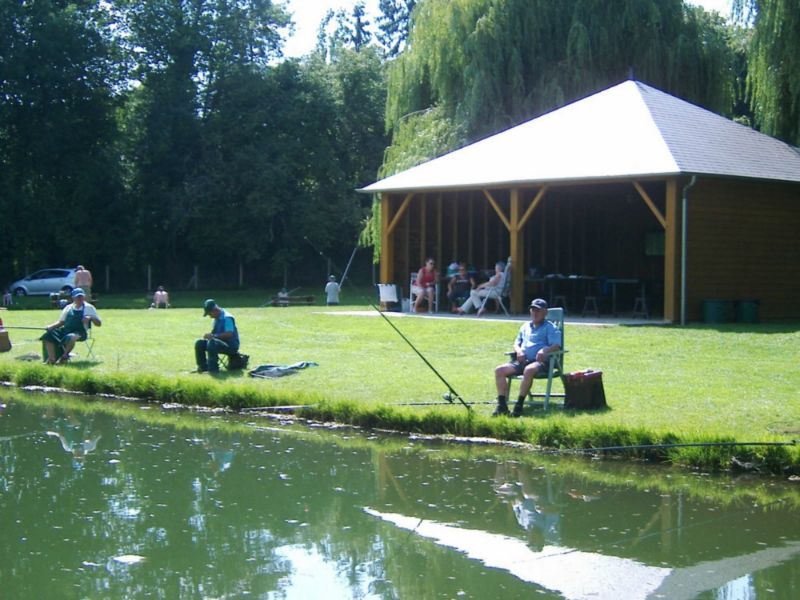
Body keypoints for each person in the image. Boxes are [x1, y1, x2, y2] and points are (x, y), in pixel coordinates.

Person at [492, 298, 561, 417]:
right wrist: (518, 351)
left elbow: (556, 345)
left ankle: (519, 405)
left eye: (538, 311)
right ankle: (502, 406)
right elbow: (516, 343)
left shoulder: (550, 327)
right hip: (522, 360)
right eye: (533, 310)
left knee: (529, 370)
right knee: (499, 370)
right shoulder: (525, 326)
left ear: (545, 313)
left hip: (540, 363)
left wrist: (544, 350)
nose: (535, 313)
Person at [40, 288, 102, 364]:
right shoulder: (68, 308)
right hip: (66, 330)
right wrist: (51, 327)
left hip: (80, 332)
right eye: (77, 297)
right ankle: (52, 359)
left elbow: (99, 324)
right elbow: (61, 322)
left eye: (81, 296)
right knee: (47, 336)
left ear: (84, 297)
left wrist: (91, 318)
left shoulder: (89, 307)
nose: (80, 298)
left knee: (71, 337)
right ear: (73, 298)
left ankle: (64, 357)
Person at [195, 299, 240, 373]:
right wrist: (210, 336)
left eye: (210, 314)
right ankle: (203, 367)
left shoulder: (227, 318)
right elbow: (215, 334)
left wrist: (213, 336)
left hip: (231, 345)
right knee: (199, 343)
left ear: (215, 310)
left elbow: (229, 334)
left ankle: (213, 369)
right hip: (218, 343)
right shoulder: (216, 319)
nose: (210, 316)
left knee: (212, 343)